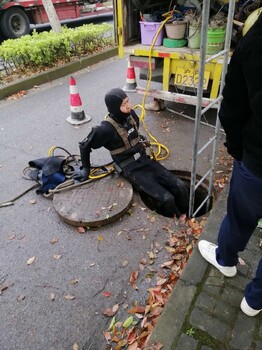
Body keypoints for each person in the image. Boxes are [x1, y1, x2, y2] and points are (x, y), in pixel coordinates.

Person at [198, 14, 262, 317]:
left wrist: (238, 149)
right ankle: (255, 301)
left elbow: (233, 105)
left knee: (240, 215)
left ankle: (225, 260)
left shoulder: (255, 40)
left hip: (257, 161)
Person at [74, 88, 189, 218]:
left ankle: (186, 214)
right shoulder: (106, 129)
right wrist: (86, 169)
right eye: (123, 104)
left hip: (144, 160)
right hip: (130, 168)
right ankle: (177, 220)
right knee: (166, 199)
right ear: (114, 107)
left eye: (127, 101)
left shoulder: (131, 116)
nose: (128, 106)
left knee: (180, 186)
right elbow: (84, 146)